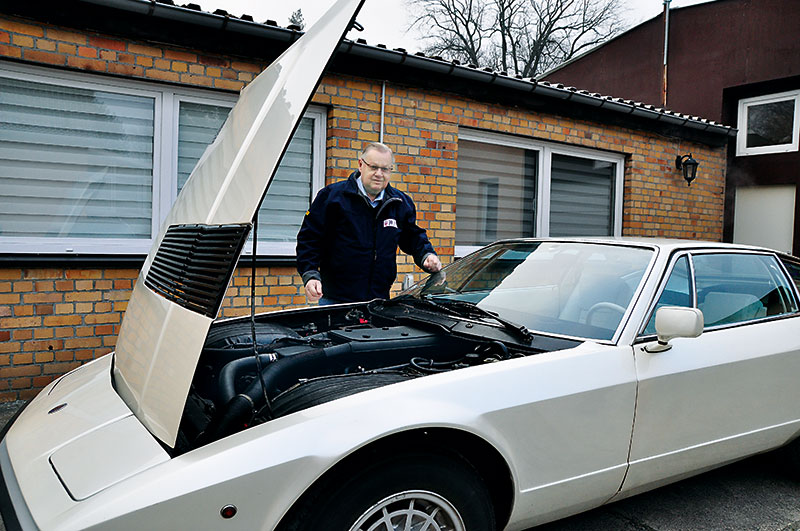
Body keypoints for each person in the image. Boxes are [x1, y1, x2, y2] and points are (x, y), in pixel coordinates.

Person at [296, 142, 442, 304]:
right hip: (335, 300)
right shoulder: (332, 198)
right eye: (373, 167)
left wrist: (426, 255)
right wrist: (310, 274)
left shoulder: (400, 203)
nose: (379, 174)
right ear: (361, 165)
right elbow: (309, 239)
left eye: (385, 169)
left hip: (378, 300)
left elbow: (413, 237)